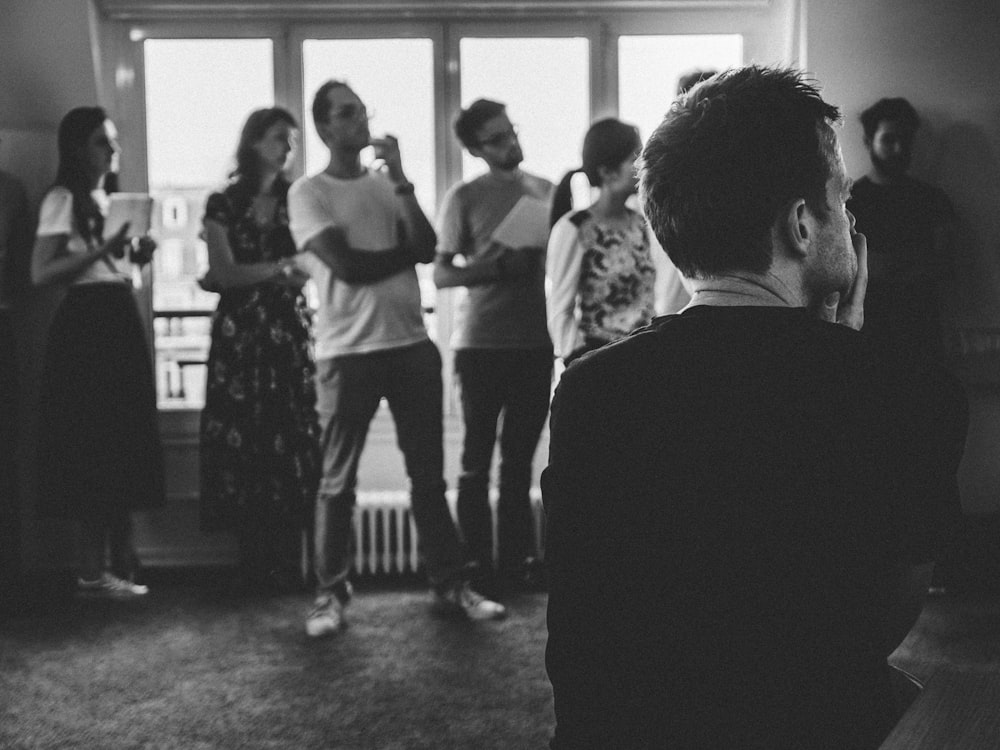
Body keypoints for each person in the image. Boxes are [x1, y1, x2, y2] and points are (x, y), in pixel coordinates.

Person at [543, 66, 968, 749]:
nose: (852, 219)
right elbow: (863, 633)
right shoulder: (907, 390)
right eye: (841, 200)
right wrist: (839, 361)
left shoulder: (592, 389)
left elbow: (591, 630)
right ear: (802, 223)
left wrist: (828, 358)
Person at [288, 80, 505, 637]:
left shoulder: (389, 187)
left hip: (411, 346)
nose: (360, 120)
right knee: (337, 483)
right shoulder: (308, 193)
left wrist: (404, 179)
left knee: (429, 479)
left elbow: (428, 247)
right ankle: (329, 595)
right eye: (346, 113)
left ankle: (450, 584)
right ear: (324, 127)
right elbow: (349, 267)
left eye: (363, 110)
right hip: (347, 352)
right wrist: (402, 252)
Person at [32, 106, 163, 598]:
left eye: (112, 142)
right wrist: (106, 247)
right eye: (101, 143)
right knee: (91, 443)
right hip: (86, 325)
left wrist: (135, 258)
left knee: (120, 440)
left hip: (115, 316)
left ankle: (118, 564)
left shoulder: (104, 199)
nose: (112, 151)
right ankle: (92, 571)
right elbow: (41, 273)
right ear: (75, 149)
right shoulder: (62, 198)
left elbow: (111, 267)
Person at [198, 107, 321, 593]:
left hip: (287, 332)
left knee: (289, 431)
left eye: (290, 141)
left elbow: (311, 268)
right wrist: (277, 269)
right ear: (253, 143)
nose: (286, 148)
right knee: (244, 432)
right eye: (277, 138)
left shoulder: (300, 199)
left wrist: (260, 271)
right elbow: (223, 274)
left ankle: (289, 562)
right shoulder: (223, 202)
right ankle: (252, 563)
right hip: (241, 337)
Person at [434, 98, 553, 595]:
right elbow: (442, 274)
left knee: (520, 463)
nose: (512, 143)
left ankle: (516, 564)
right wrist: (497, 267)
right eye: (498, 139)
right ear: (476, 149)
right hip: (480, 344)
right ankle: (476, 566)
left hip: (534, 341)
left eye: (513, 131)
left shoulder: (547, 192)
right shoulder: (463, 197)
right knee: (475, 461)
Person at [546, 117, 686, 365]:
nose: (644, 164)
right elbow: (560, 309)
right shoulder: (575, 228)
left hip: (643, 353)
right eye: (635, 157)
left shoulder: (643, 223)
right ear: (607, 172)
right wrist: (577, 360)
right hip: (597, 357)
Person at [847, 97, 958, 359]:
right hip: (867, 335)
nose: (899, 148)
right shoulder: (848, 201)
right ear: (868, 141)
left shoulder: (933, 199)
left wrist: (881, 266)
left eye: (906, 139)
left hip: (922, 335)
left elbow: (948, 265)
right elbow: (842, 268)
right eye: (888, 139)